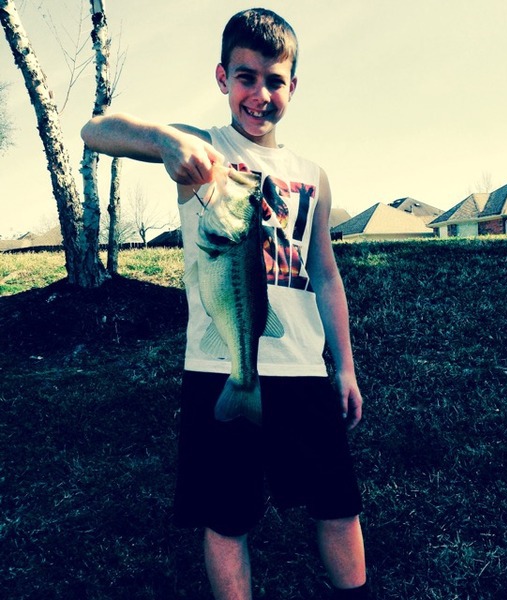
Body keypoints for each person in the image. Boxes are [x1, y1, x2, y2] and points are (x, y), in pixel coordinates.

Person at [81, 8, 368, 599]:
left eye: (275, 81)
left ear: (293, 86)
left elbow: (326, 275)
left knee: (338, 504)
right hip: (218, 364)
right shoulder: (204, 151)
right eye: (246, 77)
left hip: (302, 366)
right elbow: (96, 130)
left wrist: (344, 366)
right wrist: (166, 141)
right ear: (222, 78)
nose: (260, 94)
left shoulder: (312, 175)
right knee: (226, 516)